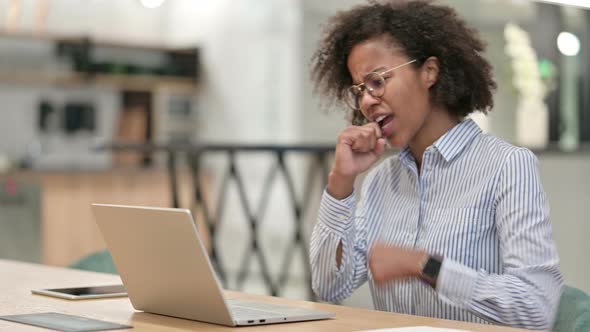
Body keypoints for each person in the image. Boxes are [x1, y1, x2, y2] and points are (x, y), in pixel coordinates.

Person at [309, 0, 563, 330]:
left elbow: (535, 307)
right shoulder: (380, 181)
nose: (366, 101)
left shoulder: (507, 167)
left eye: (377, 81)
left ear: (429, 71)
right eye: (359, 90)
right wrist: (341, 181)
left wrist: (426, 266)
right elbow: (330, 286)